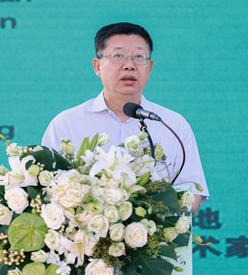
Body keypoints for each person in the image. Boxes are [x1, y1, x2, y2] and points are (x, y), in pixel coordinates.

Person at [42, 22, 208, 211]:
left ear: (150, 67)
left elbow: (191, 192)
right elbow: (48, 191)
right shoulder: (66, 124)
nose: (129, 66)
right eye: (118, 56)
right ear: (97, 66)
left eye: (139, 57)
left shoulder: (172, 125)